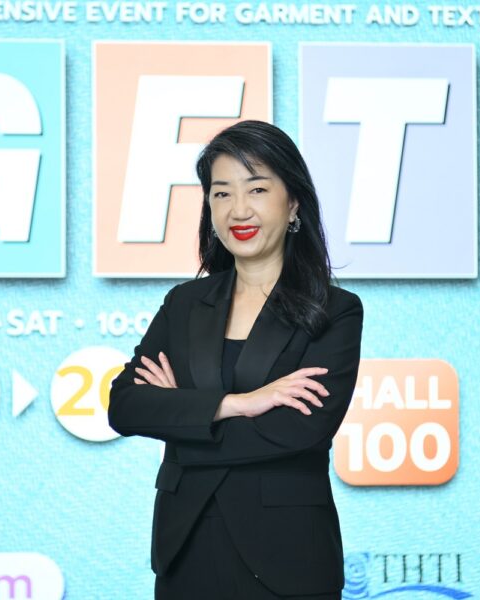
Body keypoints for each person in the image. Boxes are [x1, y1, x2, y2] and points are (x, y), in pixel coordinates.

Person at [108, 120, 364, 600]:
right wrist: (237, 404)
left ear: (293, 203)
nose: (238, 210)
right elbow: (124, 407)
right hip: (186, 551)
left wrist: (182, 416)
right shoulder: (185, 303)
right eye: (222, 193)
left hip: (288, 558)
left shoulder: (334, 310)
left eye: (257, 189)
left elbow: (299, 431)